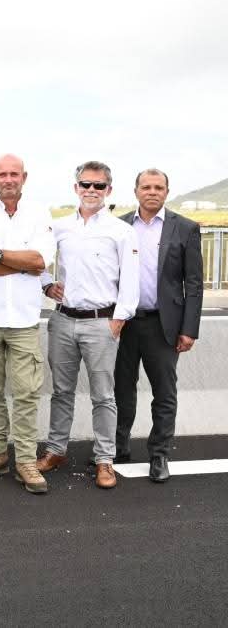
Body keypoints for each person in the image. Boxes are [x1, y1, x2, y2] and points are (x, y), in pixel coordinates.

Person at [37, 162, 139, 489]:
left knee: (104, 396)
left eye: (98, 185)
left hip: (101, 323)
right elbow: (36, 256)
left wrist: (119, 319)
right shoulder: (60, 227)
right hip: (63, 320)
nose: (91, 190)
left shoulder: (121, 230)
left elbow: (131, 279)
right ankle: (56, 450)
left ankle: (105, 459)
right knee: (61, 392)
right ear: (76, 187)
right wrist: (46, 284)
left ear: (109, 189)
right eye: (86, 184)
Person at [0, 154, 55, 494]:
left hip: (24, 319)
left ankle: (26, 460)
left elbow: (40, 261)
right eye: (2, 174)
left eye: (14, 174)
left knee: (26, 394)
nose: (8, 179)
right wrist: (20, 263)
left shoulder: (39, 214)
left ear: (24, 177)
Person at [114, 169, 202, 483]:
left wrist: (189, 329)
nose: (152, 192)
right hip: (123, 323)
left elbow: (194, 284)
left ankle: (159, 454)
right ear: (136, 191)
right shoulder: (119, 226)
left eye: (158, 187)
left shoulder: (185, 228)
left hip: (163, 325)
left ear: (167, 191)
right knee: (121, 389)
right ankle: (118, 448)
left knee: (164, 392)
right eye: (146, 187)